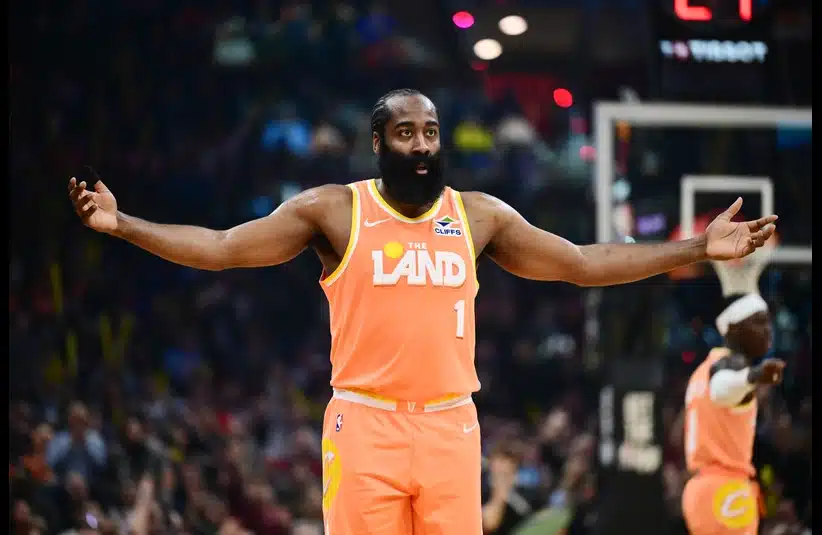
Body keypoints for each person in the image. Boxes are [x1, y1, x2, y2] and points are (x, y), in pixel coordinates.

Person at [68, 88, 778, 535]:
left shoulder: (479, 216)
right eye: (406, 133)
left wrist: (698, 247)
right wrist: (123, 224)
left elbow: (583, 262)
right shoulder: (335, 210)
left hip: (450, 426)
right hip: (365, 423)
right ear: (379, 143)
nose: (421, 145)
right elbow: (224, 247)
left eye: (431, 132)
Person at [681, 291, 786, 535]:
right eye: (758, 322)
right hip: (726, 491)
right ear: (733, 329)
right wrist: (753, 376)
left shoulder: (700, 372)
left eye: (768, 322)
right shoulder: (734, 366)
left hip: (700, 488)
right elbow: (721, 389)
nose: (768, 330)